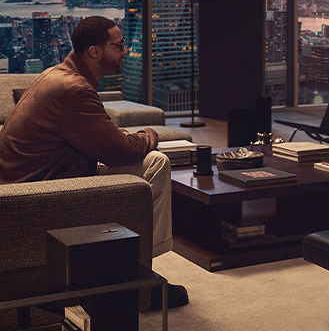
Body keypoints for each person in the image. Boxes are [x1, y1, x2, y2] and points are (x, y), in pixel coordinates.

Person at [0, 16, 188, 309]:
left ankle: (139, 266)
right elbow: (121, 152)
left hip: (31, 181)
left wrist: (118, 137)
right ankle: (137, 279)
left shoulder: (58, 74)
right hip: (39, 193)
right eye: (120, 44)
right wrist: (149, 134)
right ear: (94, 51)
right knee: (155, 160)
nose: (125, 51)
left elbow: (97, 138)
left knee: (155, 163)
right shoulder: (74, 89)